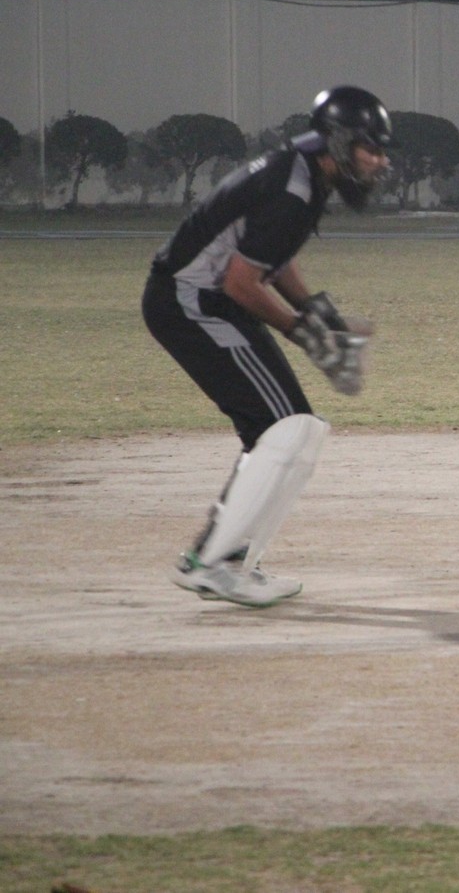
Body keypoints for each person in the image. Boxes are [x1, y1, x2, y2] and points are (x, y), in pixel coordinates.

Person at [142, 86, 393, 607]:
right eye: (370, 147)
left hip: (210, 300)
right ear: (339, 141)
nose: (379, 160)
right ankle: (208, 563)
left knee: (294, 430)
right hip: (191, 302)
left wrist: (317, 314)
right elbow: (241, 283)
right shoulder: (293, 188)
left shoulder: (303, 171)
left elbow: (270, 255)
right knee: (284, 429)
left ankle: (231, 562)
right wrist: (302, 333)